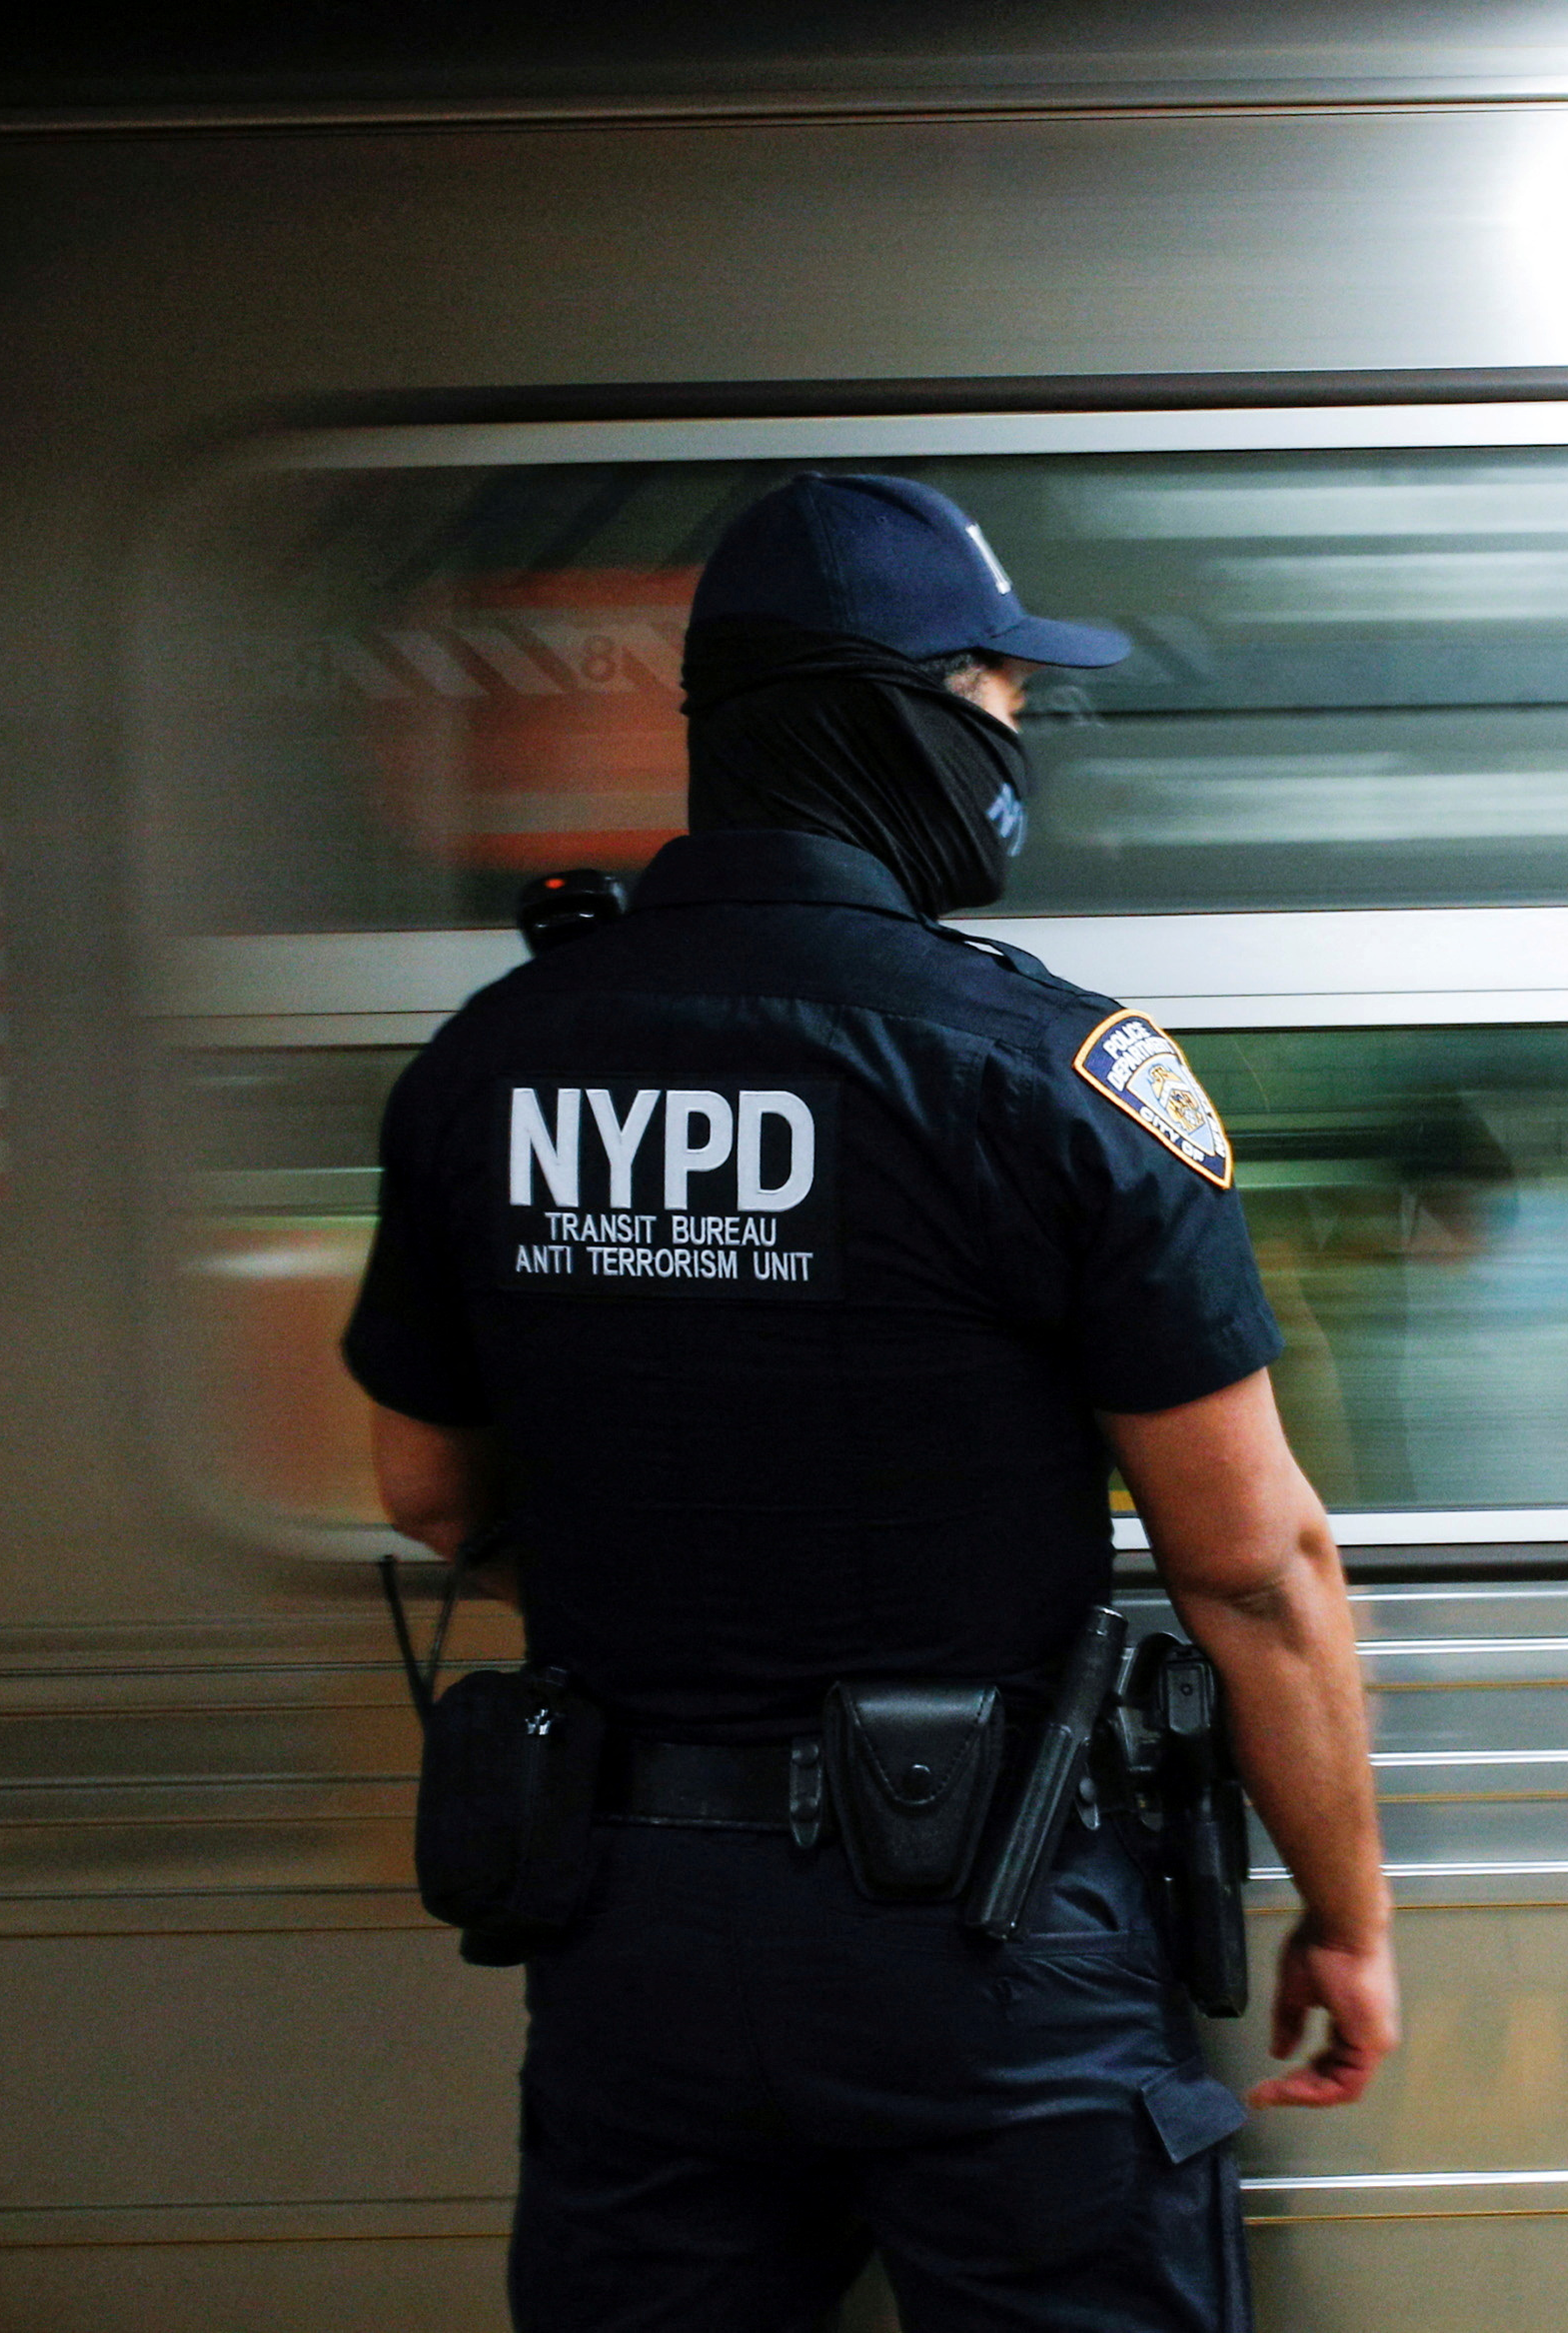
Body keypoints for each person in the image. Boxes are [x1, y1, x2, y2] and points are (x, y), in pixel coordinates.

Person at [344, 471, 1397, 2333]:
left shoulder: (490, 1066)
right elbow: (1252, 1563)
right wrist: (1346, 1911)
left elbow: (429, 1492)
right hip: (989, 1931)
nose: (1019, 736)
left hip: (628, 1937)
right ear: (900, 706)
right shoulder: (1052, 1069)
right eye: (1000, 690)